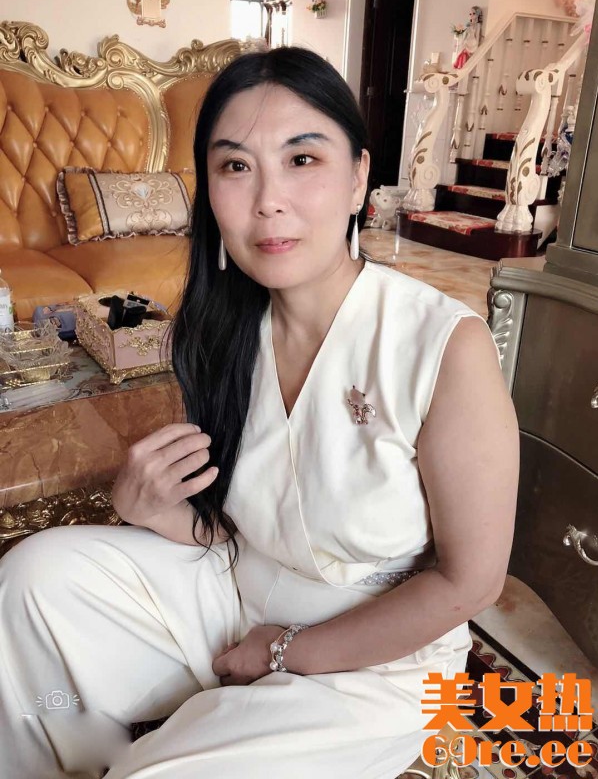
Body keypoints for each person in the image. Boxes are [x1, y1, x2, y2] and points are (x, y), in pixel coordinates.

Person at [0, 46, 519, 778]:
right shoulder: (221, 330)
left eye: (302, 160)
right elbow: (241, 527)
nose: (268, 199)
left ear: (358, 178)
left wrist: (284, 651)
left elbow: (471, 583)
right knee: (33, 581)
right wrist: (147, 510)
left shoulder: (444, 346)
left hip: (374, 662)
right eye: (236, 166)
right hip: (232, 592)